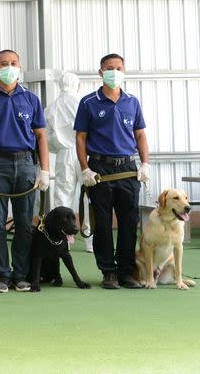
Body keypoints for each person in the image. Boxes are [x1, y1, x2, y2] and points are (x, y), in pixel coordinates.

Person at [0, 49, 50, 293]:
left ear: (20, 66)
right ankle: (3, 274)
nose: (9, 67)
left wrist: (44, 170)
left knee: (25, 223)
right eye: (4, 64)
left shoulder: (31, 99)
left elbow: (41, 136)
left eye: (13, 63)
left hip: (25, 162)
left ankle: (20, 274)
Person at [74, 53, 149, 289]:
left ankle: (126, 272)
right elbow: (80, 137)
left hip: (127, 168)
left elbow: (140, 135)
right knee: (102, 224)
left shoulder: (132, 102)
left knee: (129, 222)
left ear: (124, 71)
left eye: (118, 68)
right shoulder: (89, 102)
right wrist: (85, 168)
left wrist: (145, 163)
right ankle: (108, 272)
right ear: (100, 72)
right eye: (109, 68)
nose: (114, 72)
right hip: (99, 168)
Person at [44, 71, 93, 252]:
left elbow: (45, 136)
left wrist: (59, 147)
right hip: (85, 154)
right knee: (89, 197)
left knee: (62, 197)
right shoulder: (84, 103)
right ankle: (90, 241)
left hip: (64, 155)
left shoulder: (51, 107)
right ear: (77, 84)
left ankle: (60, 240)